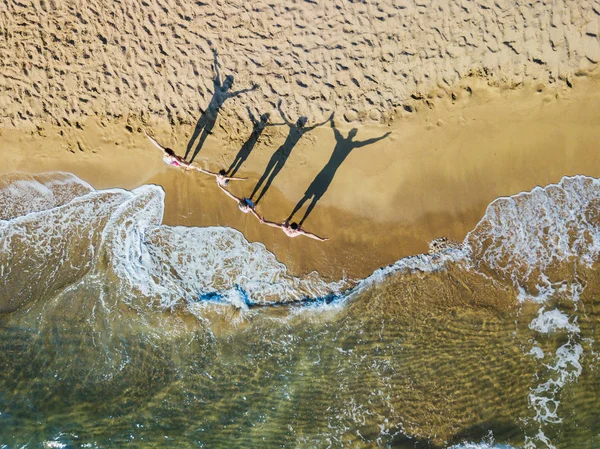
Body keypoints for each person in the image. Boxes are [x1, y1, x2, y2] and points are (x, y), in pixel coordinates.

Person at [144, 130, 246, 185]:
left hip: (171, 161)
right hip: (172, 162)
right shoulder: (172, 157)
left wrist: (148, 136)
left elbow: (157, 144)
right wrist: (192, 166)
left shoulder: (170, 155)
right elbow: (181, 163)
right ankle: (189, 168)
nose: (164, 151)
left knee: (182, 161)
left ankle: (189, 167)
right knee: (182, 163)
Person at [259, 218, 328, 241]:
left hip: (290, 233)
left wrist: (265, 222)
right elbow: (310, 234)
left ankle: (289, 219)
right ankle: (294, 220)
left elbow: (275, 224)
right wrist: (321, 239)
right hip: (290, 234)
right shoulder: (298, 231)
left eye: (289, 227)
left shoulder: (286, 227)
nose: (288, 227)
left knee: (285, 222)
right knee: (288, 222)